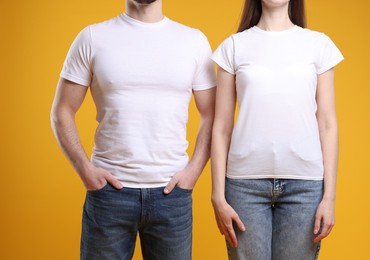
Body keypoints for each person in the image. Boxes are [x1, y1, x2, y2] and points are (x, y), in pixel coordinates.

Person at [50, 0, 216, 259]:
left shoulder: (194, 41)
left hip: (173, 196)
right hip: (109, 196)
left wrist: (193, 171)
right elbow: (62, 111)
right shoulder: (92, 38)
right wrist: (85, 169)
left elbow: (211, 114)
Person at [210, 0, 343, 259]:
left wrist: (329, 197)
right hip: (244, 186)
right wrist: (217, 196)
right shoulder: (234, 46)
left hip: (305, 187)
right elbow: (221, 128)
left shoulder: (319, 45)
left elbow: (327, 124)